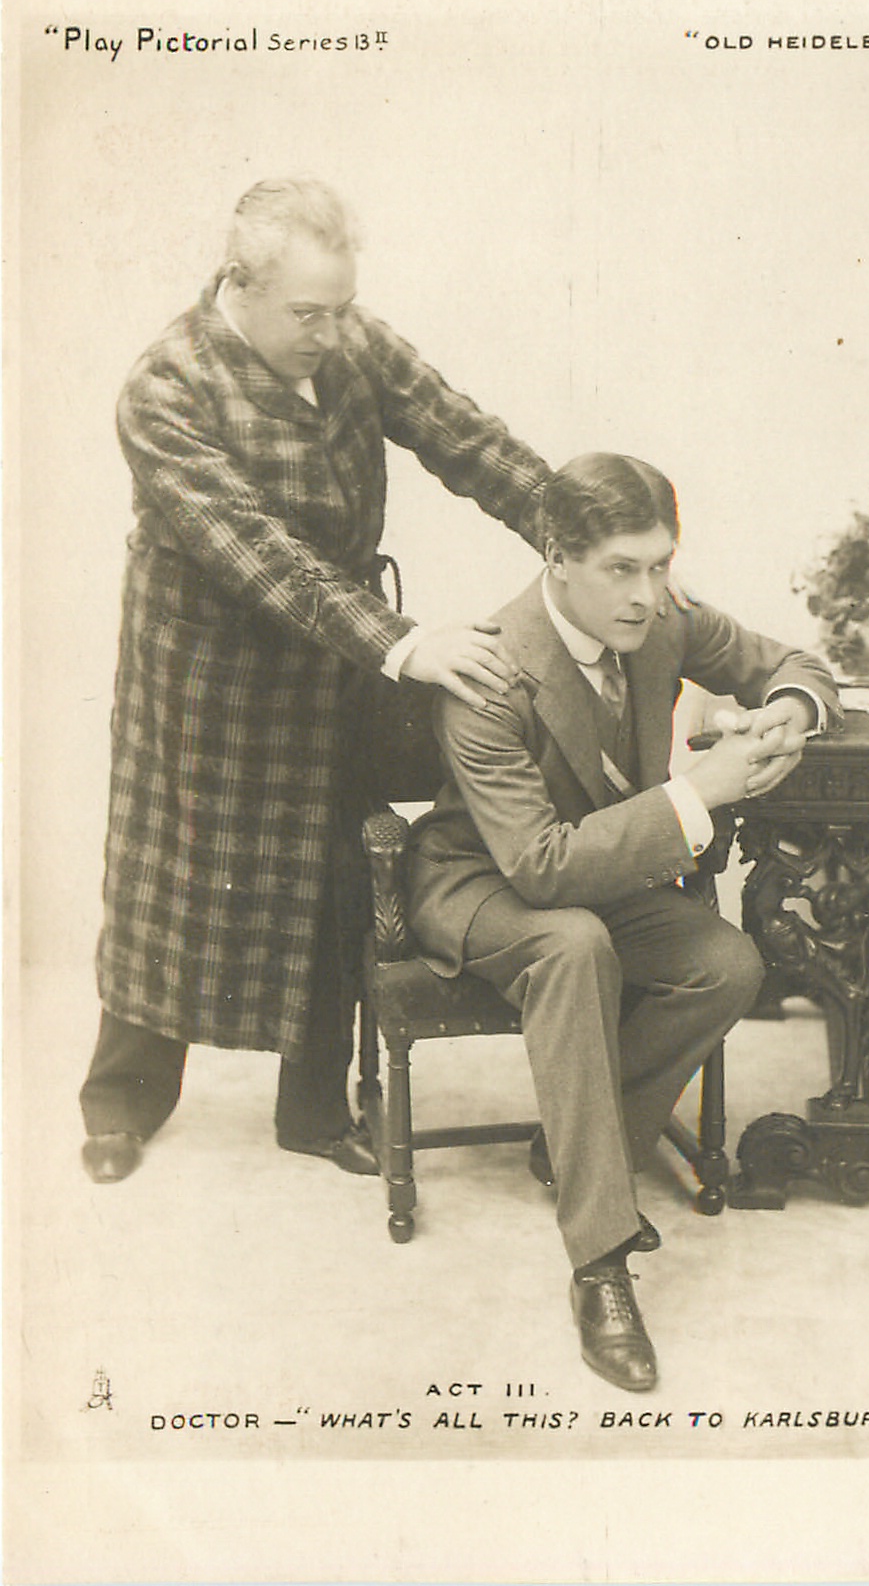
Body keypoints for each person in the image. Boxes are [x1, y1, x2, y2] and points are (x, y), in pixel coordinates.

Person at [79, 177, 554, 1185]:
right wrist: (403, 643)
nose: (330, 334)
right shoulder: (164, 388)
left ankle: (313, 1111)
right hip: (203, 678)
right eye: (308, 313)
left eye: (342, 308)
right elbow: (256, 551)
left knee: (338, 880)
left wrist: (576, 526)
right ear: (238, 282)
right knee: (169, 883)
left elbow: (467, 439)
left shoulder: (345, 336)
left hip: (336, 660)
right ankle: (122, 1102)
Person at [407, 452, 842, 1390]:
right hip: (481, 882)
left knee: (728, 963)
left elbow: (791, 663)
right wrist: (699, 793)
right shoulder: (488, 669)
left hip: (597, 872)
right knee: (574, 944)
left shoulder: (659, 618)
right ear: (557, 557)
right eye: (621, 569)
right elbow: (539, 866)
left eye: (660, 564)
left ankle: (575, 1147)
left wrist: (788, 713)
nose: (648, 594)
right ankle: (599, 1265)